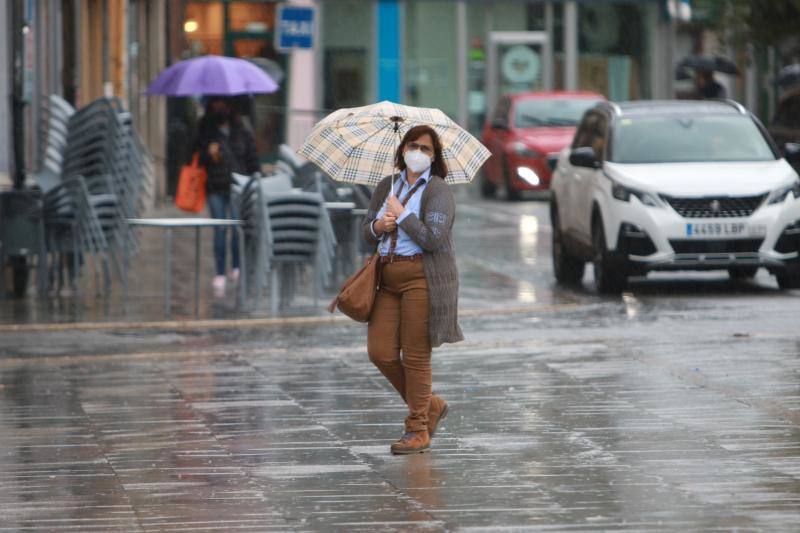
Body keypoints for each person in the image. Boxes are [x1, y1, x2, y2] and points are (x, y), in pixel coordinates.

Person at [363, 125, 464, 455]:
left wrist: (402, 214)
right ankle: (431, 405)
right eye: (413, 145)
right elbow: (365, 231)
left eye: (426, 148)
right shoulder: (387, 185)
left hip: (422, 277)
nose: (418, 153)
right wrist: (379, 225)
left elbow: (433, 238)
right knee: (380, 352)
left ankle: (418, 428)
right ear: (402, 149)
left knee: (416, 355)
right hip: (387, 278)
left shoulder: (438, 191)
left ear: (434, 157)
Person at [195, 97, 260, 292]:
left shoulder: (242, 130)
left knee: (237, 229)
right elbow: (196, 158)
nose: (220, 107)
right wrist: (209, 153)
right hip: (215, 187)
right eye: (216, 103)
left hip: (238, 188)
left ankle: (237, 267)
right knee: (220, 230)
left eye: (223, 103)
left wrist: (255, 181)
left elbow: (252, 160)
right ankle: (220, 272)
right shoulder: (206, 129)